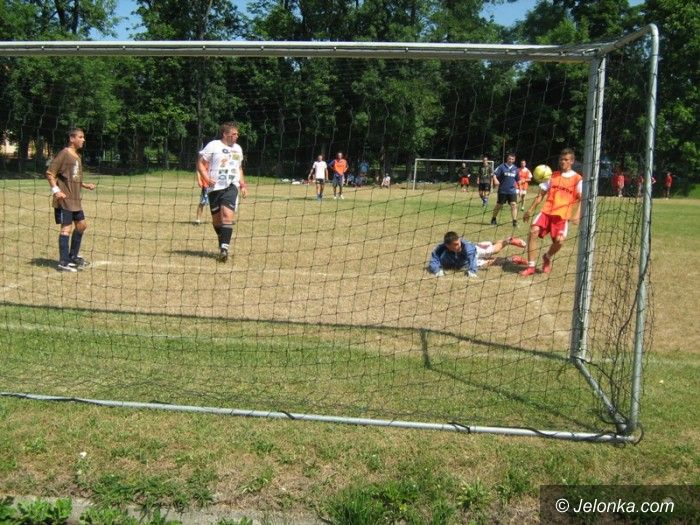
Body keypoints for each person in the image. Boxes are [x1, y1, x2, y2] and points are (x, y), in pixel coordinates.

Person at [520, 148, 583, 277]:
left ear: (572, 161)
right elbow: (540, 195)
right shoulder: (552, 176)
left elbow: (582, 198)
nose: (563, 162)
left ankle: (547, 257)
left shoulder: (577, 179)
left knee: (559, 241)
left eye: (566, 160)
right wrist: (530, 210)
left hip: (562, 216)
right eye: (561, 159)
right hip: (546, 211)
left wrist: (577, 214)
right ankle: (531, 267)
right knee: (533, 231)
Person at [196, 121, 248, 263]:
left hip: (231, 186)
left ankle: (224, 250)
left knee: (227, 215)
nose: (237, 136)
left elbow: (239, 168)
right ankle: (222, 238)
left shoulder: (238, 149)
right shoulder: (213, 145)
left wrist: (242, 185)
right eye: (234, 134)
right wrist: (206, 178)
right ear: (225, 134)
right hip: (214, 188)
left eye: (237, 134)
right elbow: (200, 163)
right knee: (217, 220)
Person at [46, 127, 96, 272]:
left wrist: (85, 185)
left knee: (82, 226)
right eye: (80, 137)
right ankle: (63, 262)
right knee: (66, 229)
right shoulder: (64, 153)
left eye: (83, 137)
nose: (83, 140)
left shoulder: (77, 156)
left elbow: (73, 177)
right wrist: (56, 191)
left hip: (75, 200)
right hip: (65, 200)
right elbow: (50, 173)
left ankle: (73, 256)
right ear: (72, 139)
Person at [428, 231, 527, 278]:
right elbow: (434, 260)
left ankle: (509, 241)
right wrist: (437, 270)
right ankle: (512, 259)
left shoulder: (468, 248)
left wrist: (472, 271)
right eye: (455, 244)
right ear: (447, 245)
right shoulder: (440, 248)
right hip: (464, 262)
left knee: (495, 249)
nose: (459, 245)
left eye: (459, 242)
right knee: (491, 262)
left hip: (476, 250)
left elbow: (472, 259)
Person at [490, 152, 520, 227]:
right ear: (507, 159)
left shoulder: (516, 169)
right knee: (499, 205)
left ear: (514, 160)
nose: (510, 160)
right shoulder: (501, 167)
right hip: (502, 190)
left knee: (514, 205)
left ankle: (514, 221)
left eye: (512, 159)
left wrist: (520, 189)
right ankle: (493, 218)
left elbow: (518, 180)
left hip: (512, 191)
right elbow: (493, 174)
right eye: (509, 158)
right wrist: (495, 180)